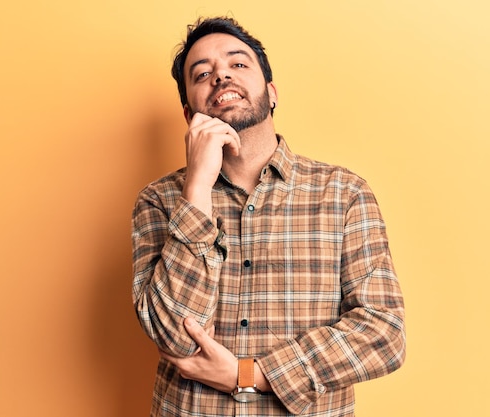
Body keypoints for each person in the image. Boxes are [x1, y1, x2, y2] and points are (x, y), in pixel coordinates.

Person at [131, 16, 406, 417]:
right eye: (202, 73)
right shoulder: (159, 201)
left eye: (238, 64)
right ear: (190, 115)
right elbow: (174, 336)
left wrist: (249, 374)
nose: (221, 75)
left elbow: (384, 333)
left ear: (271, 93)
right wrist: (197, 191)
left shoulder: (344, 194)